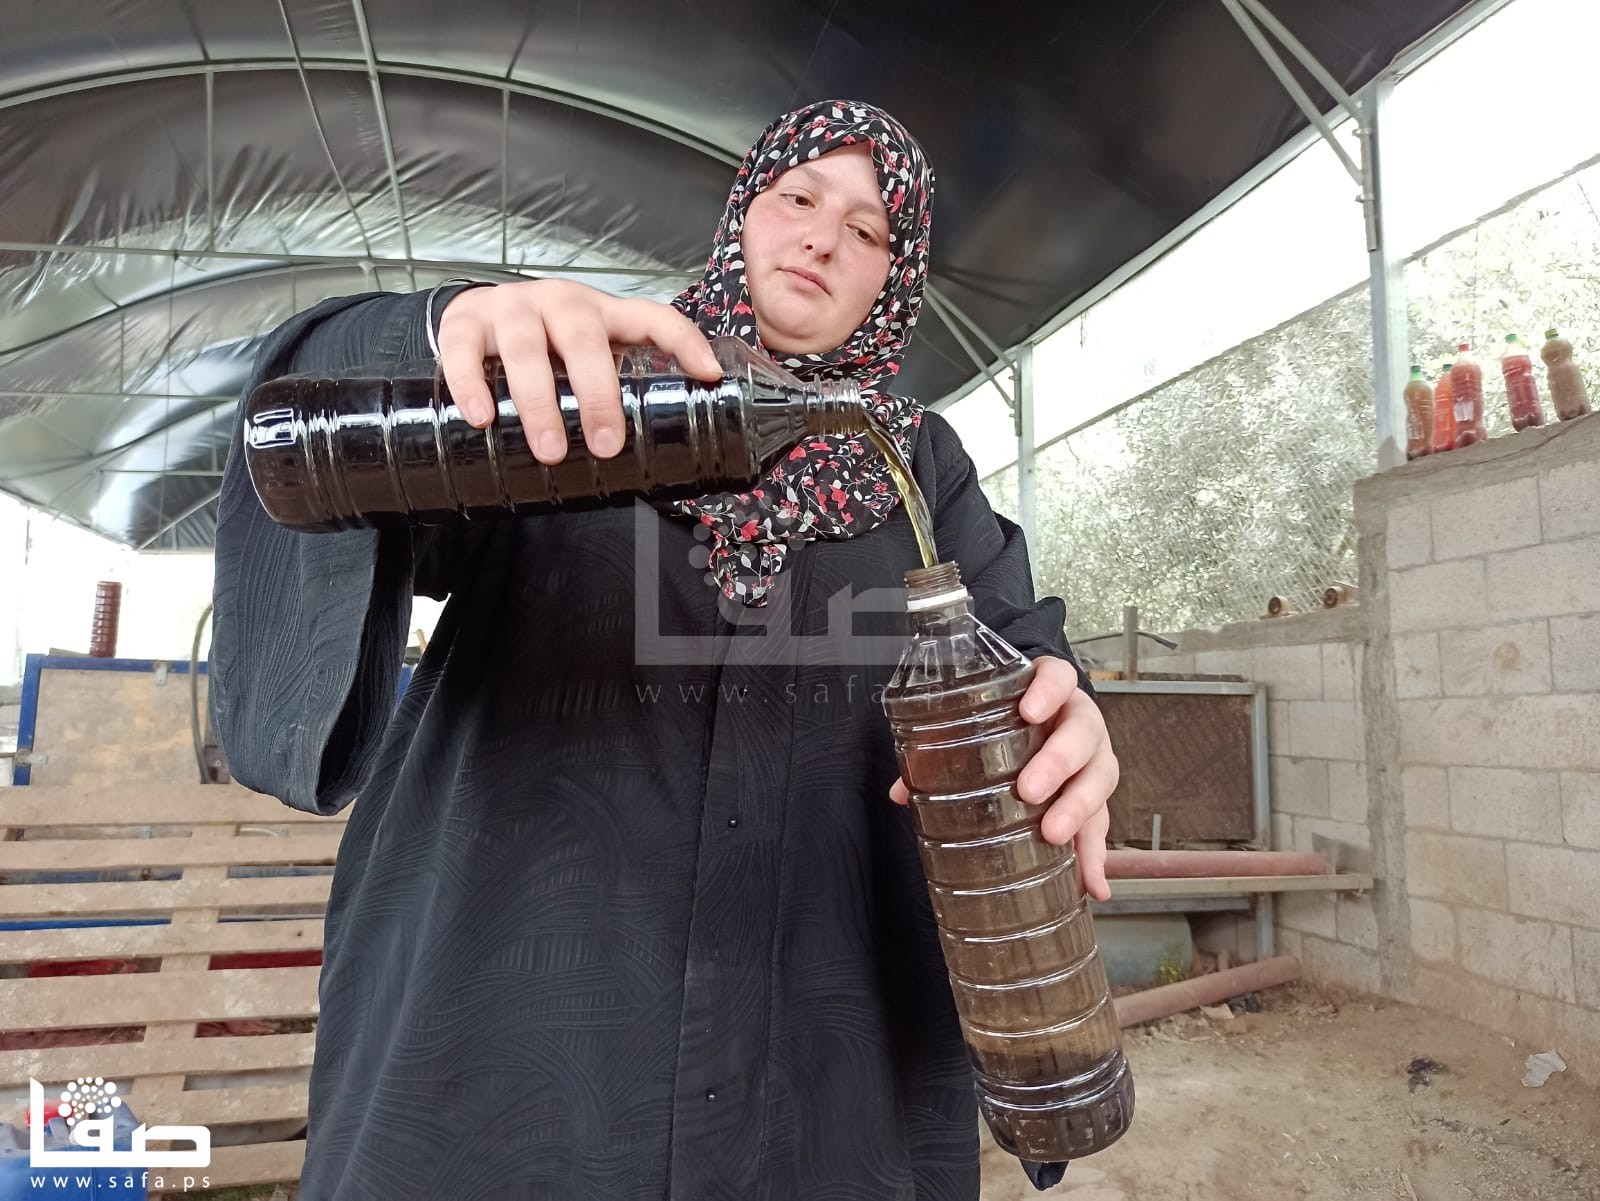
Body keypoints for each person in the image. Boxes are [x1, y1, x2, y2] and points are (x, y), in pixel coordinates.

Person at [210, 99, 1117, 1201]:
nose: (822, 238)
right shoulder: (582, 389)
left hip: (821, 1079)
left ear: (897, 276)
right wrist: (438, 330)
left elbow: (1022, 644)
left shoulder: (919, 467)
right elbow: (311, 446)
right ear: (742, 213)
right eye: (797, 197)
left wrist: (1068, 712)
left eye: (869, 230)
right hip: (508, 1044)